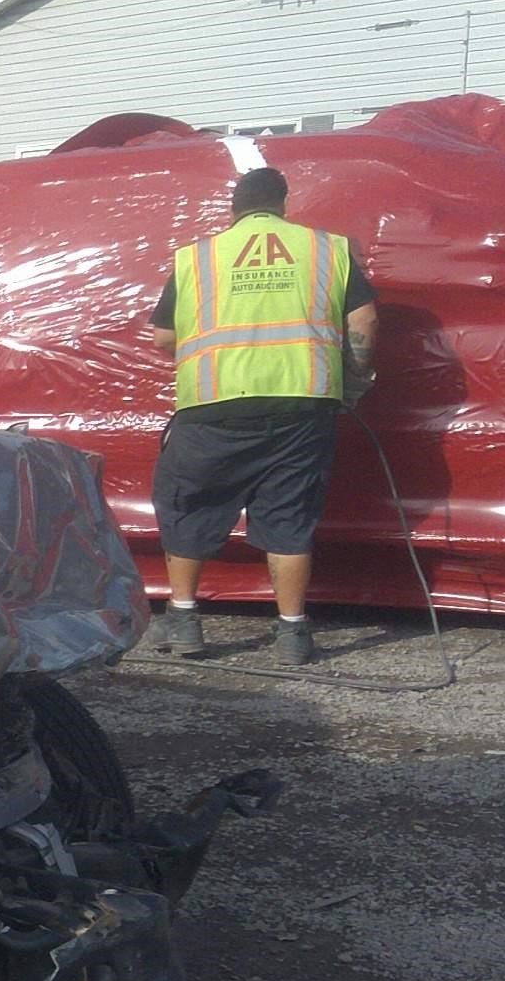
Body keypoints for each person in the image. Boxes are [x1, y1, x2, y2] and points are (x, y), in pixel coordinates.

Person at [145, 166, 379, 665]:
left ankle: (184, 621)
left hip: (215, 403)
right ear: (283, 204)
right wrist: (354, 381)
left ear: (234, 208)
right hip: (303, 402)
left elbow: (164, 338)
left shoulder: (198, 258)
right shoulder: (327, 249)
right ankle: (293, 633)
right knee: (290, 516)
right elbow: (365, 321)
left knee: (190, 503)